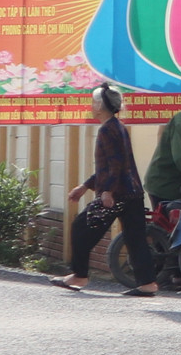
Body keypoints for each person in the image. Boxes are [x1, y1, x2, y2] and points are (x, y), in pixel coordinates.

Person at [56, 85, 159, 295]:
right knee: (135, 238)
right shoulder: (117, 126)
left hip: (118, 194)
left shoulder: (107, 129)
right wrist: (85, 186)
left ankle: (80, 275)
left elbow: (115, 165)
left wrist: (107, 192)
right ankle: (148, 283)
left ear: (99, 106)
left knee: (80, 227)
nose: (91, 106)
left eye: (93, 102)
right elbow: (111, 166)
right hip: (133, 193)